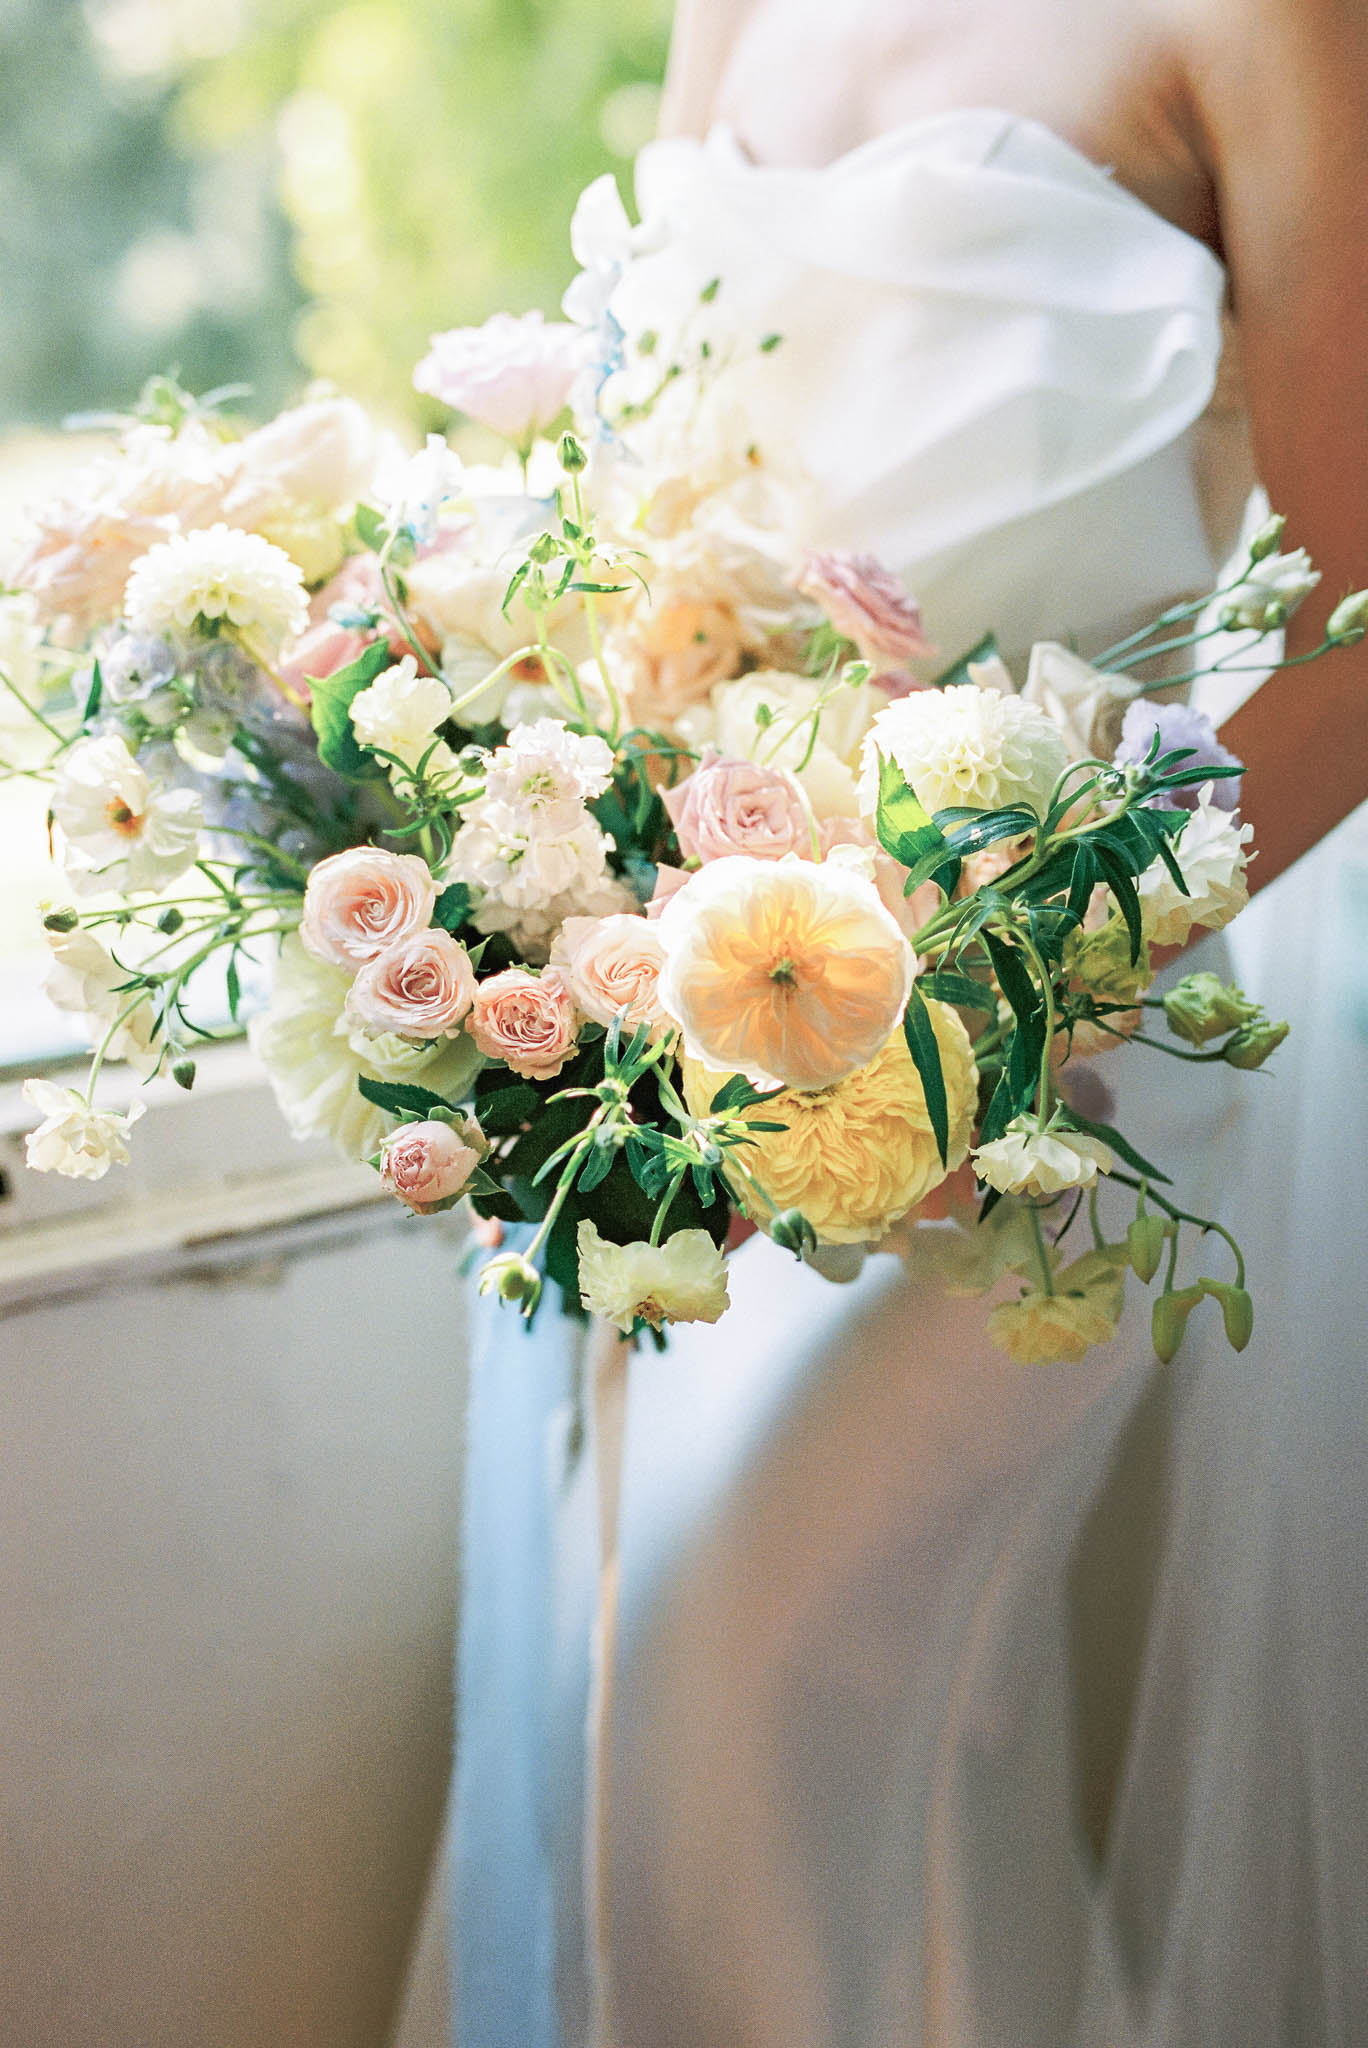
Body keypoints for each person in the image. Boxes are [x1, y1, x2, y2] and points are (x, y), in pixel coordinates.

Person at [451, 5, 1368, 2043]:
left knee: (731, 1707)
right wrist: (561, 923)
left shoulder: (1269, 24)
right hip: (684, 1023)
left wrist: (976, 1017)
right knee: (691, 1747)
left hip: (1046, 1071)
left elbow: (1360, 627)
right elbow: (640, 494)